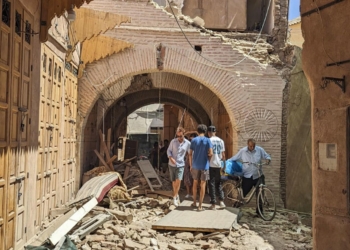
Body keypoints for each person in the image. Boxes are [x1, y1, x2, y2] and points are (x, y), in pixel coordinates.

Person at [229, 138, 271, 215]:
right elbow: (234, 158)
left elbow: (266, 155)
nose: (252, 148)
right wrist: (226, 163)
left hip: (258, 175)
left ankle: (259, 212)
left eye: (253, 146)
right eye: (250, 146)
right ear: (248, 145)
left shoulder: (259, 150)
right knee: (243, 193)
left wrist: (268, 159)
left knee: (260, 193)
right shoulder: (243, 151)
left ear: (255, 145)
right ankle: (236, 206)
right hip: (247, 176)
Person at [189, 124, 213, 211]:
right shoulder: (208, 140)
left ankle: (194, 202)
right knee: (203, 184)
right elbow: (211, 153)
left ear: (197, 131)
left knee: (195, 183)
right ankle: (200, 206)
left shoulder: (194, 140)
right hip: (205, 165)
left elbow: (190, 153)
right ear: (206, 131)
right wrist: (208, 159)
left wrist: (191, 165)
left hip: (195, 165)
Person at [167, 127, 191, 206]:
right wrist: (171, 158)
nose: (179, 138)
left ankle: (174, 197)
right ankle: (176, 195)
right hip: (172, 164)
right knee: (174, 182)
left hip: (181, 164)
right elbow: (169, 151)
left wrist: (190, 164)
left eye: (181, 136)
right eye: (178, 136)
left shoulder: (187, 143)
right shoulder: (173, 142)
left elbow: (190, 154)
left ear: (184, 134)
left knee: (179, 180)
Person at [207, 125, 226, 210]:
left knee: (211, 183)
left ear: (208, 132)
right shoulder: (221, 141)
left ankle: (213, 203)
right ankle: (221, 201)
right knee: (219, 183)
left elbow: (209, 153)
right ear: (215, 132)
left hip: (211, 164)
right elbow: (223, 154)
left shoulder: (208, 140)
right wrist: (224, 165)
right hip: (219, 164)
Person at [183, 133, 197, 198]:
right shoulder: (188, 145)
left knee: (194, 179)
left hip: (195, 164)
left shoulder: (197, 146)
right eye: (190, 139)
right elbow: (187, 154)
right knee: (187, 179)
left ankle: (192, 193)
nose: (191, 140)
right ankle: (188, 193)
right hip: (188, 164)